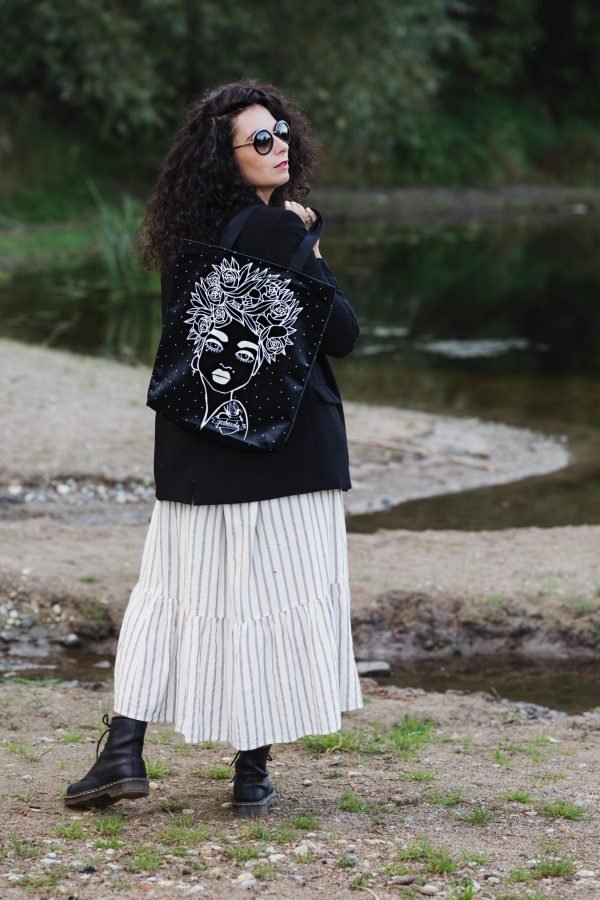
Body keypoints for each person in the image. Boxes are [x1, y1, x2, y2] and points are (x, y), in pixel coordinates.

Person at [65, 80, 363, 817]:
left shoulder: (188, 239)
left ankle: (123, 750)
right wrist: (310, 244)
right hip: (287, 456)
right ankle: (252, 776)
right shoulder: (276, 231)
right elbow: (346, 335)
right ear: (227, 159)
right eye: (260, 140)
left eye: (283, 131)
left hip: (200, 455)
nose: (279, 145)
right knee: (268, 603)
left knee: (169, 596)